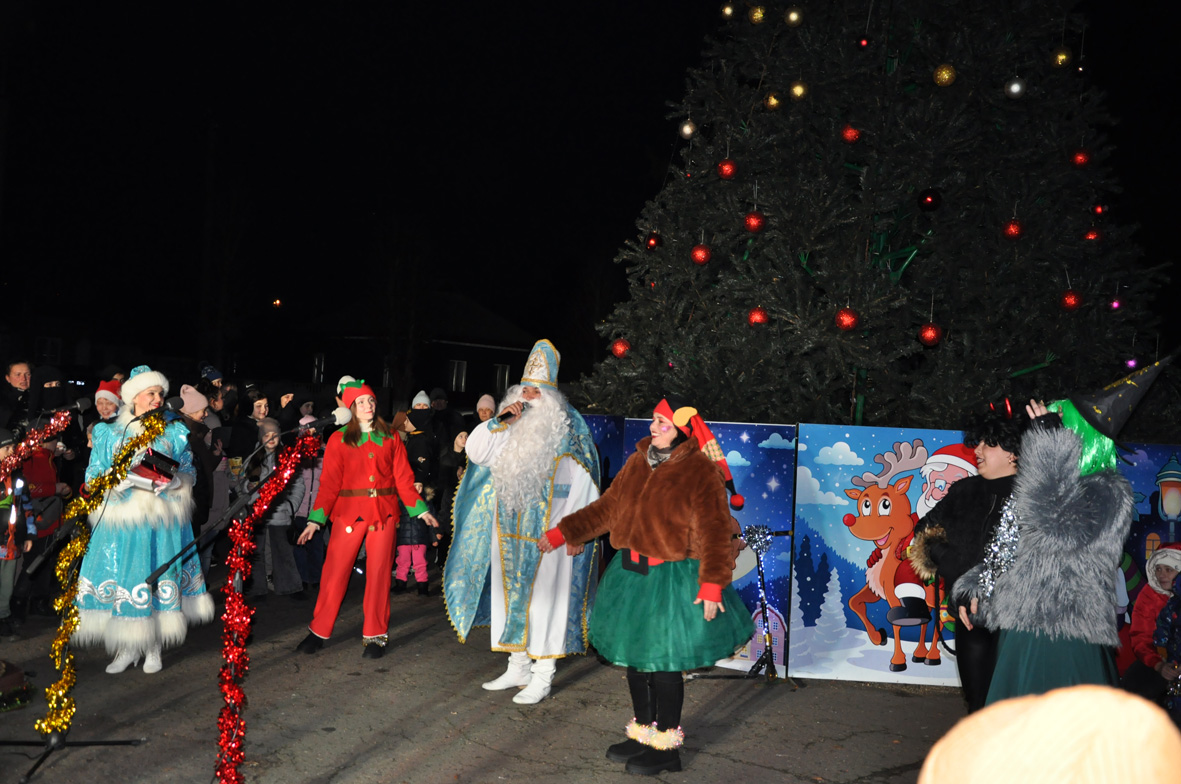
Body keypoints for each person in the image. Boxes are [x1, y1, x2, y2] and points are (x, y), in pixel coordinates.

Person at [540, 397, 753, 775]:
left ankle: (667, 748)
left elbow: (715, 532)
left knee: (663, 664)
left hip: (671, 580)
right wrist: (565, 532)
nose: (653, 427)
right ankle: (643, 734)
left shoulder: (700, 471)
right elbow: (607, 508)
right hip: (631, 575)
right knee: (636, 661)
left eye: (662, 423)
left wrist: (712, 584)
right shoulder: (638, 462)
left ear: (681, 431)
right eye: (654, 420)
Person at [952, 358, 1168, 703]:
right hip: (1021, 631)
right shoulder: (1038, 486)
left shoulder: (1107, 491)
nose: (1034, 438)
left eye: (1052, 429)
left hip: (1066, 636)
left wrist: (1050, 456)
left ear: (1077, 439)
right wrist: (976, 587)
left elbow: (1056, 532)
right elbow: (1011, 550)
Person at [445, 340, 601, 705]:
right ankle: (518, 666)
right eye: (524, 390)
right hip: (509, 534)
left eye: (536, 392)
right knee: (509, 598)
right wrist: (499, 421)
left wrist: (573, 531)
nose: (528, 397)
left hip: (551, 535)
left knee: (545, 603)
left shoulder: (567, 432)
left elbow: (586, 486)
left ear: (551, 398)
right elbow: (476, 453)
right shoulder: (508, 429)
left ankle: (543, 675)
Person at [73, 365, 215, 674]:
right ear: (134, 396)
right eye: (151, 392)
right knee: (128, 579)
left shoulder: (174, 431)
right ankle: (126, 647)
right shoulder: (107, 432)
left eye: (160, 393)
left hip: (161, 522)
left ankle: (153, 647)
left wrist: (176, 482)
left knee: (156, 576)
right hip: (122, 522)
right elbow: (93, 473)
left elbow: (189, 472)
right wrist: (112, 483)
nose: (157, 398)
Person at [294, 381, 438, 658]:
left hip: (384, 513)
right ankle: (318, 630)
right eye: (360, 402)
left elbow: (404, 478)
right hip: (349, 512)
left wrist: (421, 510)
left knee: (380, 574)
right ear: (350, 407)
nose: (367, 405)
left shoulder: (391, 436)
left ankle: (376, 634)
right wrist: (315, 520)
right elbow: (329, 484)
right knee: (335, 572)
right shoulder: (339, 439)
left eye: (370, 400)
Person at [910, 409, 1024, 712]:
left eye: (988, 443)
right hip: (969, 618)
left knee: (1014, 708)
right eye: (978, 442)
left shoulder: (1036, 498)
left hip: (1018, 623)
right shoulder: (964, 491)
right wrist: (957, 571)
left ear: (1013, 452)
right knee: (978, 705)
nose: (978, 450)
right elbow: (923, 533)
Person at [246, 418, 306, 600]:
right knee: (256, 552)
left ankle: (290, 587)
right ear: (261, 437)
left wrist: (290, 506)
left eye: (275, 435)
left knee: (283, 551)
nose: (271, 439)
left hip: (280, 513)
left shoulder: (287, 458)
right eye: (267, 435)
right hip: (258, 513)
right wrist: (249, 490)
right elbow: (241, 483)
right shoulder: (253, 459)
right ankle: (257, 588)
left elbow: (298, 485)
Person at [1121, 543, 1181, 706]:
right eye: (1158, 569)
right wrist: (1159, 665)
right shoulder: (1149, 595)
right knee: (1133, 685)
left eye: (1169, 570)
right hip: (1160, 658)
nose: (1162, 574)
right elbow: (1141, 637)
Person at [1, 428, 35, 638]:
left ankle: (3, 615)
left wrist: (30, 534)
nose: (11, 451)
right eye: (6, 448)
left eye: (12, 447)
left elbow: (27, 506)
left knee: (7, 581)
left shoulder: (17, 477)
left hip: (10, 541)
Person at [393, 481, 440, 595]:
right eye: (415, 486)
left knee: (420, 562)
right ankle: (400, 584)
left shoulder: (426, 502)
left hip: (420, 538)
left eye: (420, 486)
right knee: (402, 561)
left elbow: (431, 521)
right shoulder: (400, 501)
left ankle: (422, 586)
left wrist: (434, 537)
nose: (418, 488)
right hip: (404, 537)